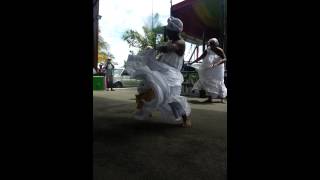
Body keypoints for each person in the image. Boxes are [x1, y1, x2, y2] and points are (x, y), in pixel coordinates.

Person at [126, 17, 191, 128]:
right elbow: (164, 52)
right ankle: (146, 110)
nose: (167, 33)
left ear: (175, 32)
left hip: (172, 74)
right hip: (162, 70)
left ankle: (185, 119)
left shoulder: (181, 42)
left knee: (171, 98)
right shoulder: (170, 41)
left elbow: (169, 48)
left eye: (168, 31)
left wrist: (160, 47)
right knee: (150, 87)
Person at [189, 38, 227, 103]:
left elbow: (225, 59)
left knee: (219, 81)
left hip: (218, 68)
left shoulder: (220, 50)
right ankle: (210, 98)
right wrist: (193, 62)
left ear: (216, 44)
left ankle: (222, 98)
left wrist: (217, 64)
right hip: (210, 67)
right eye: (211, 44)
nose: (212, 45)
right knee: (209, 81)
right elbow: (201, 57)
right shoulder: (208, 50)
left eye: (213, 44)